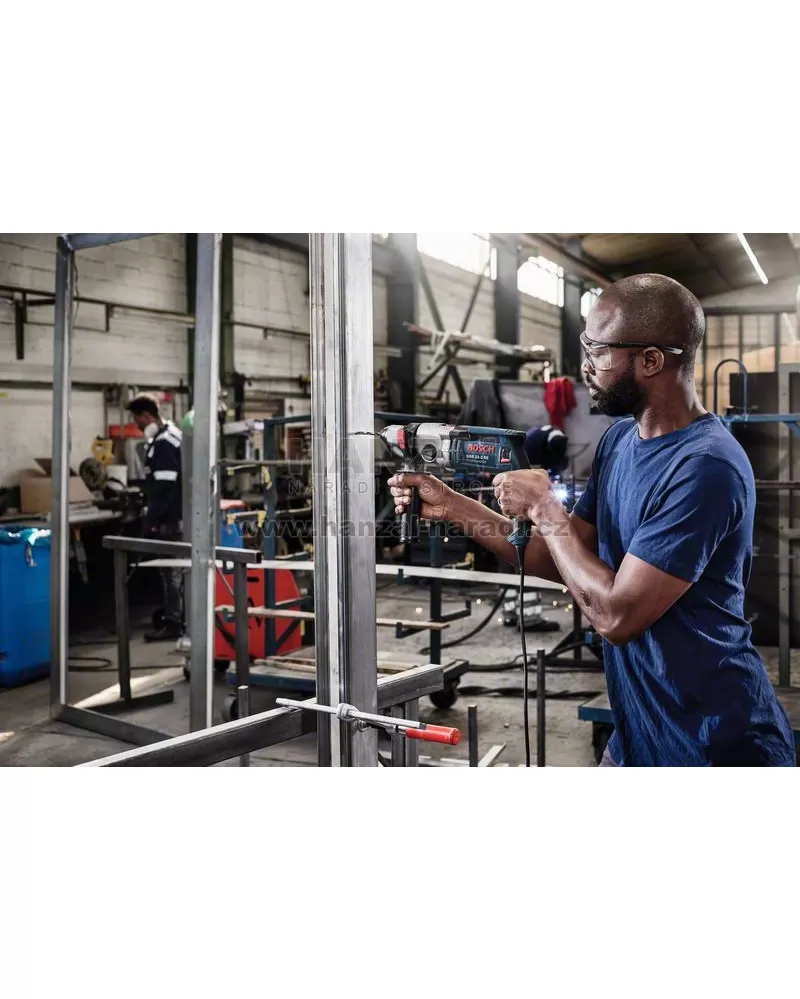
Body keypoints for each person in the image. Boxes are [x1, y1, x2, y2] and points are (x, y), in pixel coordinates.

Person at [389, 274, 795, 767]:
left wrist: (545, 508)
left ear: (651, 360)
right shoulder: (619, 441)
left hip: (714, 743)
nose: (585, 366)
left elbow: (617, 618)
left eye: (599, 352)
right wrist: (451, 504)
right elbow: (557, 556)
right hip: (639, 732)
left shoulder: (705, 466)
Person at [127, 393, 184, 642]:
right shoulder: (171, 434)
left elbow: (164, 487)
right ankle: (178, 619)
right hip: (176, 515)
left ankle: (174, 623)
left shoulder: (163, 443)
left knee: (170, 572)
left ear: (147, 416)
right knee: (175, 572)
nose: (137, 424)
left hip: (170, 520)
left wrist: (150, 521)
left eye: (137, 419)